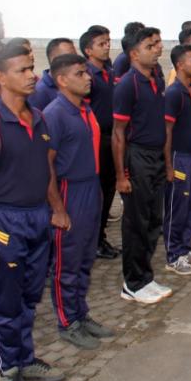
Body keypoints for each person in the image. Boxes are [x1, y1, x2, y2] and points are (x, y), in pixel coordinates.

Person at [0, 44, 69, 381]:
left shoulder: (38, 117)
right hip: (6, 220)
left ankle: (26, 357)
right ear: (0, 77)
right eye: (22, 70)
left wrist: (56, 208)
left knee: (29, 296)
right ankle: (9, 369)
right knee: (7, 302)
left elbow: (46, 169)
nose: (31, 75)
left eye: (31, 68)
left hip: (38, 216)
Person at [43, 54, 114, 349]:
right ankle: (67, 321)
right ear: (62, 80)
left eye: (87, 72)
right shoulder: (55, 114)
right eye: (80, 74)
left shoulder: (85, 109)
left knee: (85, 258)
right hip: (69, 191)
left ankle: (81, 313)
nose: (88, 78)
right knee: (67, 262)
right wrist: (58, 208)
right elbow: (46, 164)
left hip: (90, 187)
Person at [113, 27, 173, 304]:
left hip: (156, 157)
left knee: (153, 220)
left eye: (157, 44)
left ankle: (145, 276)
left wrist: (166, 161)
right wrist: (121, 175)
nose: (158, 49)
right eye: (150, 46)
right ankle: (133, 282)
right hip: (137, 158)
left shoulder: (155, 80)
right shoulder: (128, 84)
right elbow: (118, 133)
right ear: (134, 54)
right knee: (136, 223)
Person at [163, 44, 191, 275]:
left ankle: (185, 248)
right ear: (180, 65)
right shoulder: (174, 94)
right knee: (178, 207)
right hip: (179, 157)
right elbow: (167, 131)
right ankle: (173, 255)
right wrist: (168, 165)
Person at [80, 26, 119, 260]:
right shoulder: (87, 76)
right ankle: (92, 240)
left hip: (112, 138)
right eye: (101, 44)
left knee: (108, 188)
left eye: (108, 42)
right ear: (88, 50)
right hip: (96, 140)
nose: (107, 47)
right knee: (98, 192)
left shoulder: (108, 72)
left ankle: (99, 236)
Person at [30, 38, 76, 110]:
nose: (75, 61)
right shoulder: (39, 92)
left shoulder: (72, 84)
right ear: (54, 59)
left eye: (76, 56)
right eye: (70, 56)